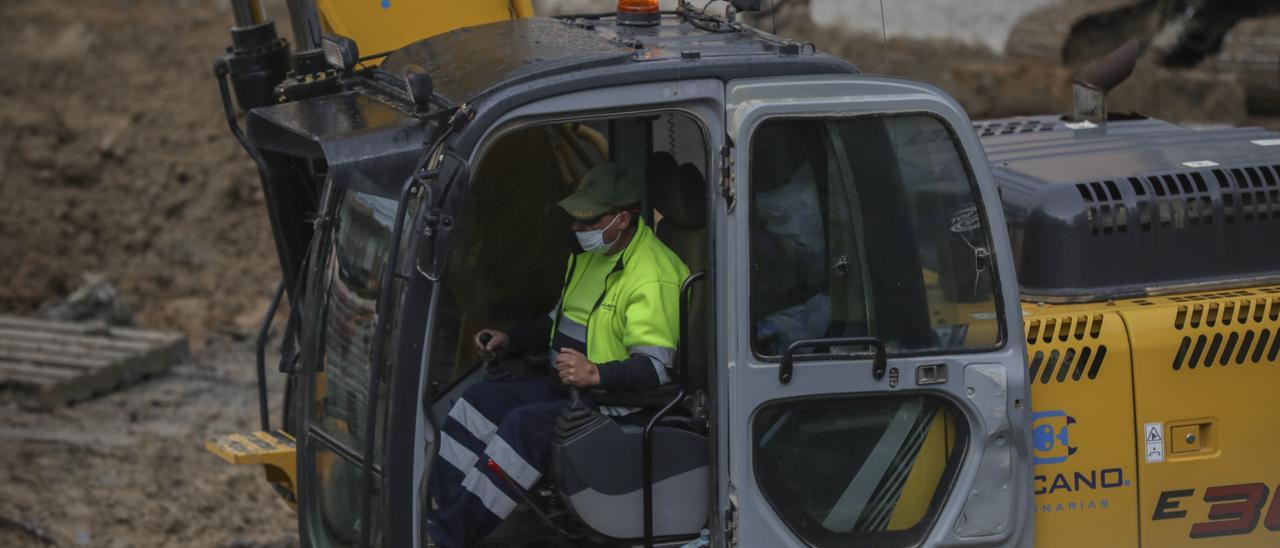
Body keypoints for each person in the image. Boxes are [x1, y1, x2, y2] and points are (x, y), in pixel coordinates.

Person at [426, 163, 690, 547]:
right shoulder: (588, 259)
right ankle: (439, 514)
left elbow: (656, 369)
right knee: (476, 403)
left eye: (588, 222)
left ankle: (449, 536)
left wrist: (596, 374)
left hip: (614, 406)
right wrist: (510, 339)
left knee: (523, 426)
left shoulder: (654, 275)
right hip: (566, 390)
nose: (577, 230)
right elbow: (558, 320)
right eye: (575, 221)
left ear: (623, 218)